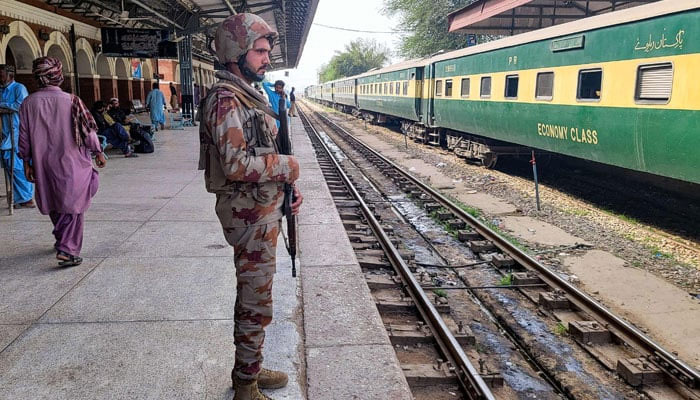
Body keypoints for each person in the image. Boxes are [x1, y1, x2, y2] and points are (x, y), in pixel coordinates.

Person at [200, 13, 303, 400]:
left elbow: (261, 156)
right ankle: (245, 385)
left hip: (261, 210)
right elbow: (237, 165)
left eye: (266, 51)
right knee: (255, 302)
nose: (265, 58)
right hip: (248, 218)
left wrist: (285, 189)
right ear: (235, 50)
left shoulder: (248, 96)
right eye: (259, 51)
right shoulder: (226, 101)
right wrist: (288, 167)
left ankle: (252, 367)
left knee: (259, 298)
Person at [18, 56, 107, 266]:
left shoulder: (28, 103)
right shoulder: (72, 100)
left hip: (43, 163)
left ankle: (62, 239)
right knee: (74, 205)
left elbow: (23, 137)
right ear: (58, 76)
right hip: (72, 162)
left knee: (55, 202)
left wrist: (26, 163)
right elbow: (88, 132)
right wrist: (98, 152)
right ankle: (67, 250)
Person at [0, 64, 35, 208]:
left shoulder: (19, 88)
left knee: (17, 165)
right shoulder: (1, 90)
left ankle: (26, 198)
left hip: (17, 132)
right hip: (4, 133)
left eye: (1, 74)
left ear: (10, 75)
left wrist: (3, 105)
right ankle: (16, 196)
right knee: (8, 165)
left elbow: (21, 105)